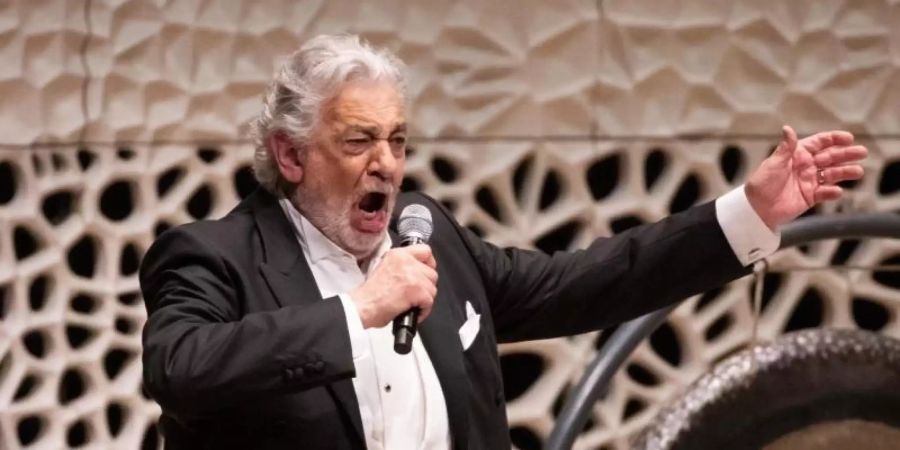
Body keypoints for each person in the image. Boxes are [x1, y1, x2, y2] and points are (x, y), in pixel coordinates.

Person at [139, 34, 867, 450]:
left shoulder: (427, 233)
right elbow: (180, 367)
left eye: (396, 140)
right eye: (358, 140)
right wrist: (357, 311)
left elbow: (578, 284)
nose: (386, 163)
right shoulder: (215, 256)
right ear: (291, 156)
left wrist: (746, 211)